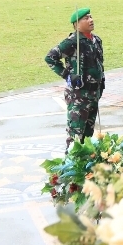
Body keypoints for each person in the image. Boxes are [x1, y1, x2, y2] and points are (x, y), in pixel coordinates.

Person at [45, 8, 105, 151]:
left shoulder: (96, 40)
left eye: (91, 17)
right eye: (86, 18)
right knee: (75, 137)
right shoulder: (73, 42)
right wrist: (67, 75)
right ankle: (70, 163)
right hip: (78, 95)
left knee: (88, 136)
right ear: (76, 24)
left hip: (93, 94)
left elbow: (99, 64)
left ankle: (85, 163)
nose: (91, 20)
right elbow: (50, 57)